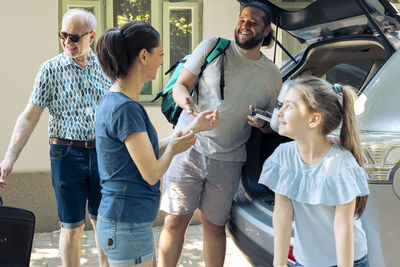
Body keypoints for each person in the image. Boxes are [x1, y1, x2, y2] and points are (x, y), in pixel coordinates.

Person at [158, 2, 282, 266]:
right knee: (175, 220)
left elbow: (272, 123)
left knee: (214, 226)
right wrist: (187, 103)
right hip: (188, 146)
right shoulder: (213, 47)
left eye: (253, 22)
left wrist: (262, 124)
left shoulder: (273, 76)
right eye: (242, 19)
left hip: (229, 158)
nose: (244, 25)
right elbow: (181, 85)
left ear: (267, 30)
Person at [95, 20, 218, 267]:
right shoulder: (126, 109)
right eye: (160, 54)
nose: (162, 61)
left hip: (122, 222)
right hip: (126, 224)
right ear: (143, 56)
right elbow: (151, 173)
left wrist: (193, 128)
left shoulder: (117, 101)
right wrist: (174, 150)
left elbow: (143, 153)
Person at [0, 9, 111, 267]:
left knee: (105, 225)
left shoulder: (107, 67)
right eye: (63, 35)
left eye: (74, 36)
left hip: (102, 154)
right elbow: (29, 117)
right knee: (71, 227)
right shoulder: (50, 70)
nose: (67, 42)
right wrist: (8, 160)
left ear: (91, 36)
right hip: (66, 154)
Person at [259, 76, 370, 267]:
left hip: (347, 261)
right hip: (306, 260)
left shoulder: (341, 164)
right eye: (282, 105)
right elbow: (282, 215)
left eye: (290, 106)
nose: (279, 113)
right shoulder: (282, 156)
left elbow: (342, 226)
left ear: (314, 120)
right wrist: (279, 264)